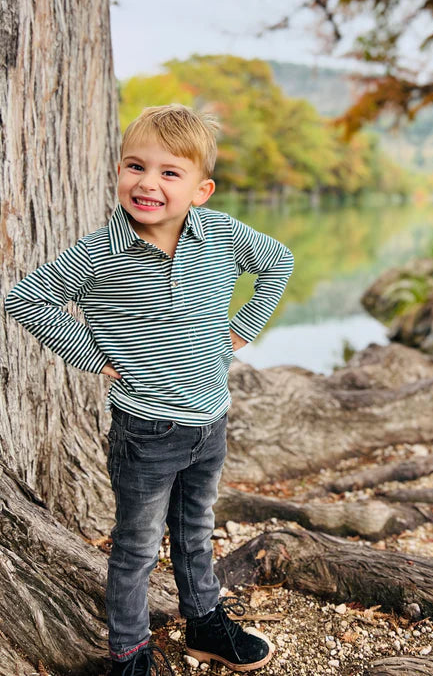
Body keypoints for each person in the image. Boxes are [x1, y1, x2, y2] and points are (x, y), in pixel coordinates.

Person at [4, 104, 294, 675]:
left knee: (195, 530)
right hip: (146, 430)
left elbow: (278, 262)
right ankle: (130, 653)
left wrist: (243, 328)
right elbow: (27, 300)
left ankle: (206, 623)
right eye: (136, 166)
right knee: (136, 549)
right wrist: (92, 354)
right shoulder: (98, 251)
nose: (149, 183)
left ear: (201, 189)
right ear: (118, 171)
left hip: (210, 419)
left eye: (169, 172)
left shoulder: (221, 236)